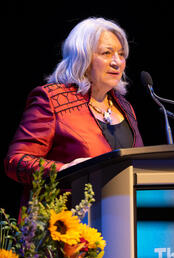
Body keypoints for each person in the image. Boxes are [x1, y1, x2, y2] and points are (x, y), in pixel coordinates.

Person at [4, 17, 143, 193]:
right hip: (68, 216)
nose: (117, 62)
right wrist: (64, 169)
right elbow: (15, 161)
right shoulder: (52, 99)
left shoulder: (125, 107)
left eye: (121, 54)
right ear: (82, 56)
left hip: (125, 215)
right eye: (106, 53)